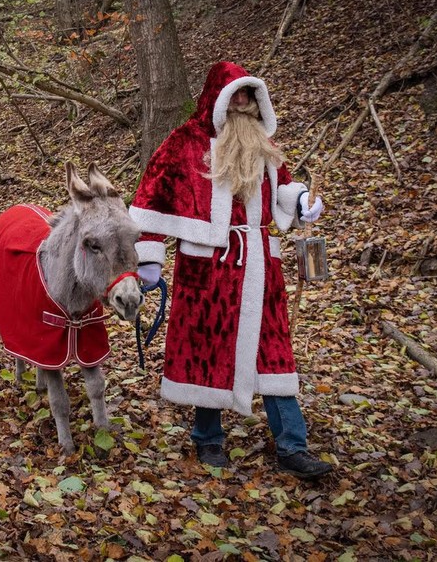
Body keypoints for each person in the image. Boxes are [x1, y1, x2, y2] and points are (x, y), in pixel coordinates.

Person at [129, 61, 331, 479]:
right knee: (209, 347)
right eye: (235, 95)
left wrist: (301, 201)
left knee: (273, 352)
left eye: (249, 96)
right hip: (208, 268)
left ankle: (293, 445)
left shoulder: (263, 142)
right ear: (216, 99)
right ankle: (207, 438)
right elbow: (152, 198)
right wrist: (149, 258)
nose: (242, 103)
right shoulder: (185, 143)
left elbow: (284, 186)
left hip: (259, 263)